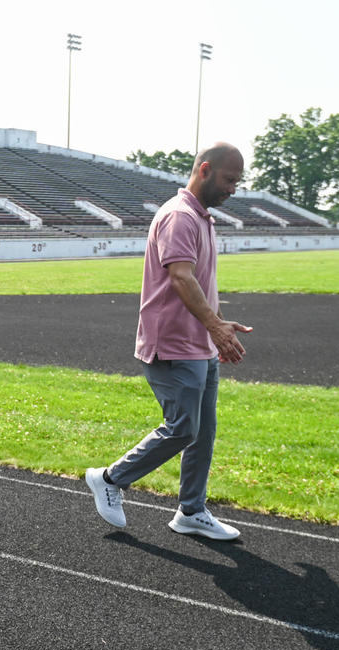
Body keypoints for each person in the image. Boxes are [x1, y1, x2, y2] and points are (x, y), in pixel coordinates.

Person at [84, 143, 252, 540]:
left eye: (238, 183)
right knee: (182, 429)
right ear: (205, 170)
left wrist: (217, 327)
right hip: (173, 346)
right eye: (230, 180)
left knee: (202, 432)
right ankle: (110, 478)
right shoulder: (179, 217)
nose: (233, 189)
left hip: (199, 344)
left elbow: (199, 285)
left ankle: (191, 511)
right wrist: (214, 327)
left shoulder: (201, 218)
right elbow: (180, 278)